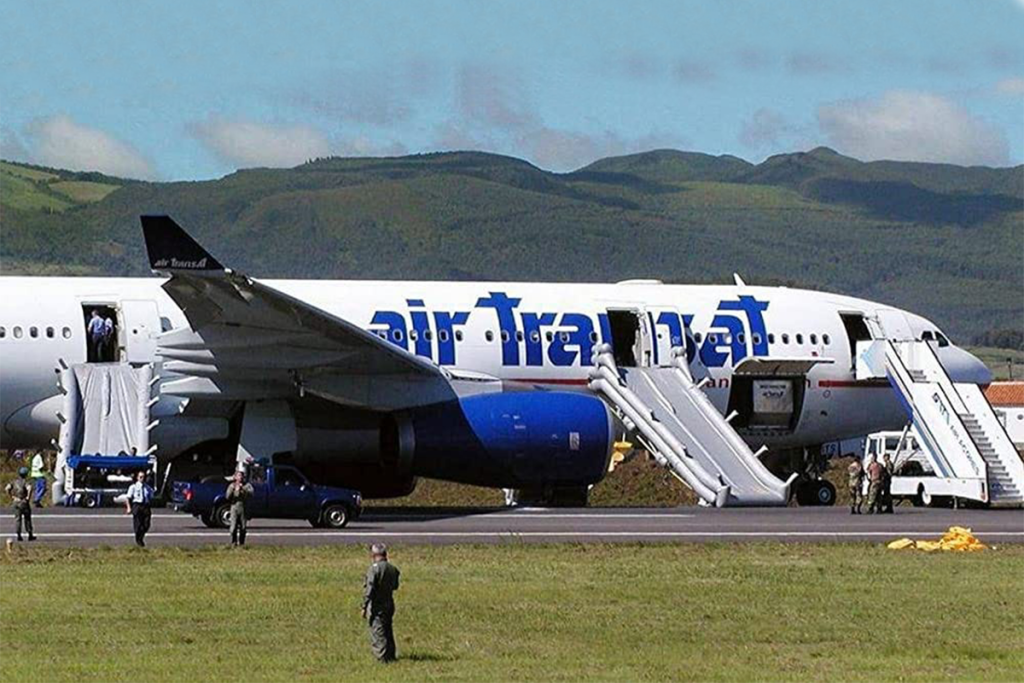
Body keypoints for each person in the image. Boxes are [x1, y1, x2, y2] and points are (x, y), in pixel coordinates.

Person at [362, 543, 401, 663]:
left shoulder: (374, 569)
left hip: (377, 605)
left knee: (378, 630)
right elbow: (395, 586)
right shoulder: (393, 569)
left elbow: (369, 589)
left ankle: (381, 657)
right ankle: (391, 654)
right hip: (389, 603)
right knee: (388, 628)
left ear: (374, 555)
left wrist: (364, 606)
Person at [124, 470, 154, 547]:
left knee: (146, 524)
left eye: (143, 477)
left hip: (145, 506)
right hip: (137, 505)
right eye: (140, 477)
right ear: (137, 478)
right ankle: (139, 540)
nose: (142, 479)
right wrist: (129, 508)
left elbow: (151, 496)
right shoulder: (133, 487)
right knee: (138, 525)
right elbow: (128, 498)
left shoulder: (147, 487)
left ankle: (141, 537)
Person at [5, 467, 36, 541]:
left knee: (17, 519)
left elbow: (7, 488)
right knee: (27, 518)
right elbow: (29, 488)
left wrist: (12, 497)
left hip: (16, 502)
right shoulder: (25, 482)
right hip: (23, 502)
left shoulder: (14, 482)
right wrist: (28, 497)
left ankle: (18, 535)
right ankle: (30, 534)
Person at [225, 470, 254, 546]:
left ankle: (242, 543)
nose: (240, 478)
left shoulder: (247, 485)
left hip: (243, 507)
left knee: (243, 527)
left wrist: (243, 489)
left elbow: (252, 493)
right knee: (233, 527)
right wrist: (233, 489)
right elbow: (227, 497)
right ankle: (233, 542)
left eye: (241, 476)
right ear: (235, 477)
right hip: (234, 507)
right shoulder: (232, 485)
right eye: (238, 476)